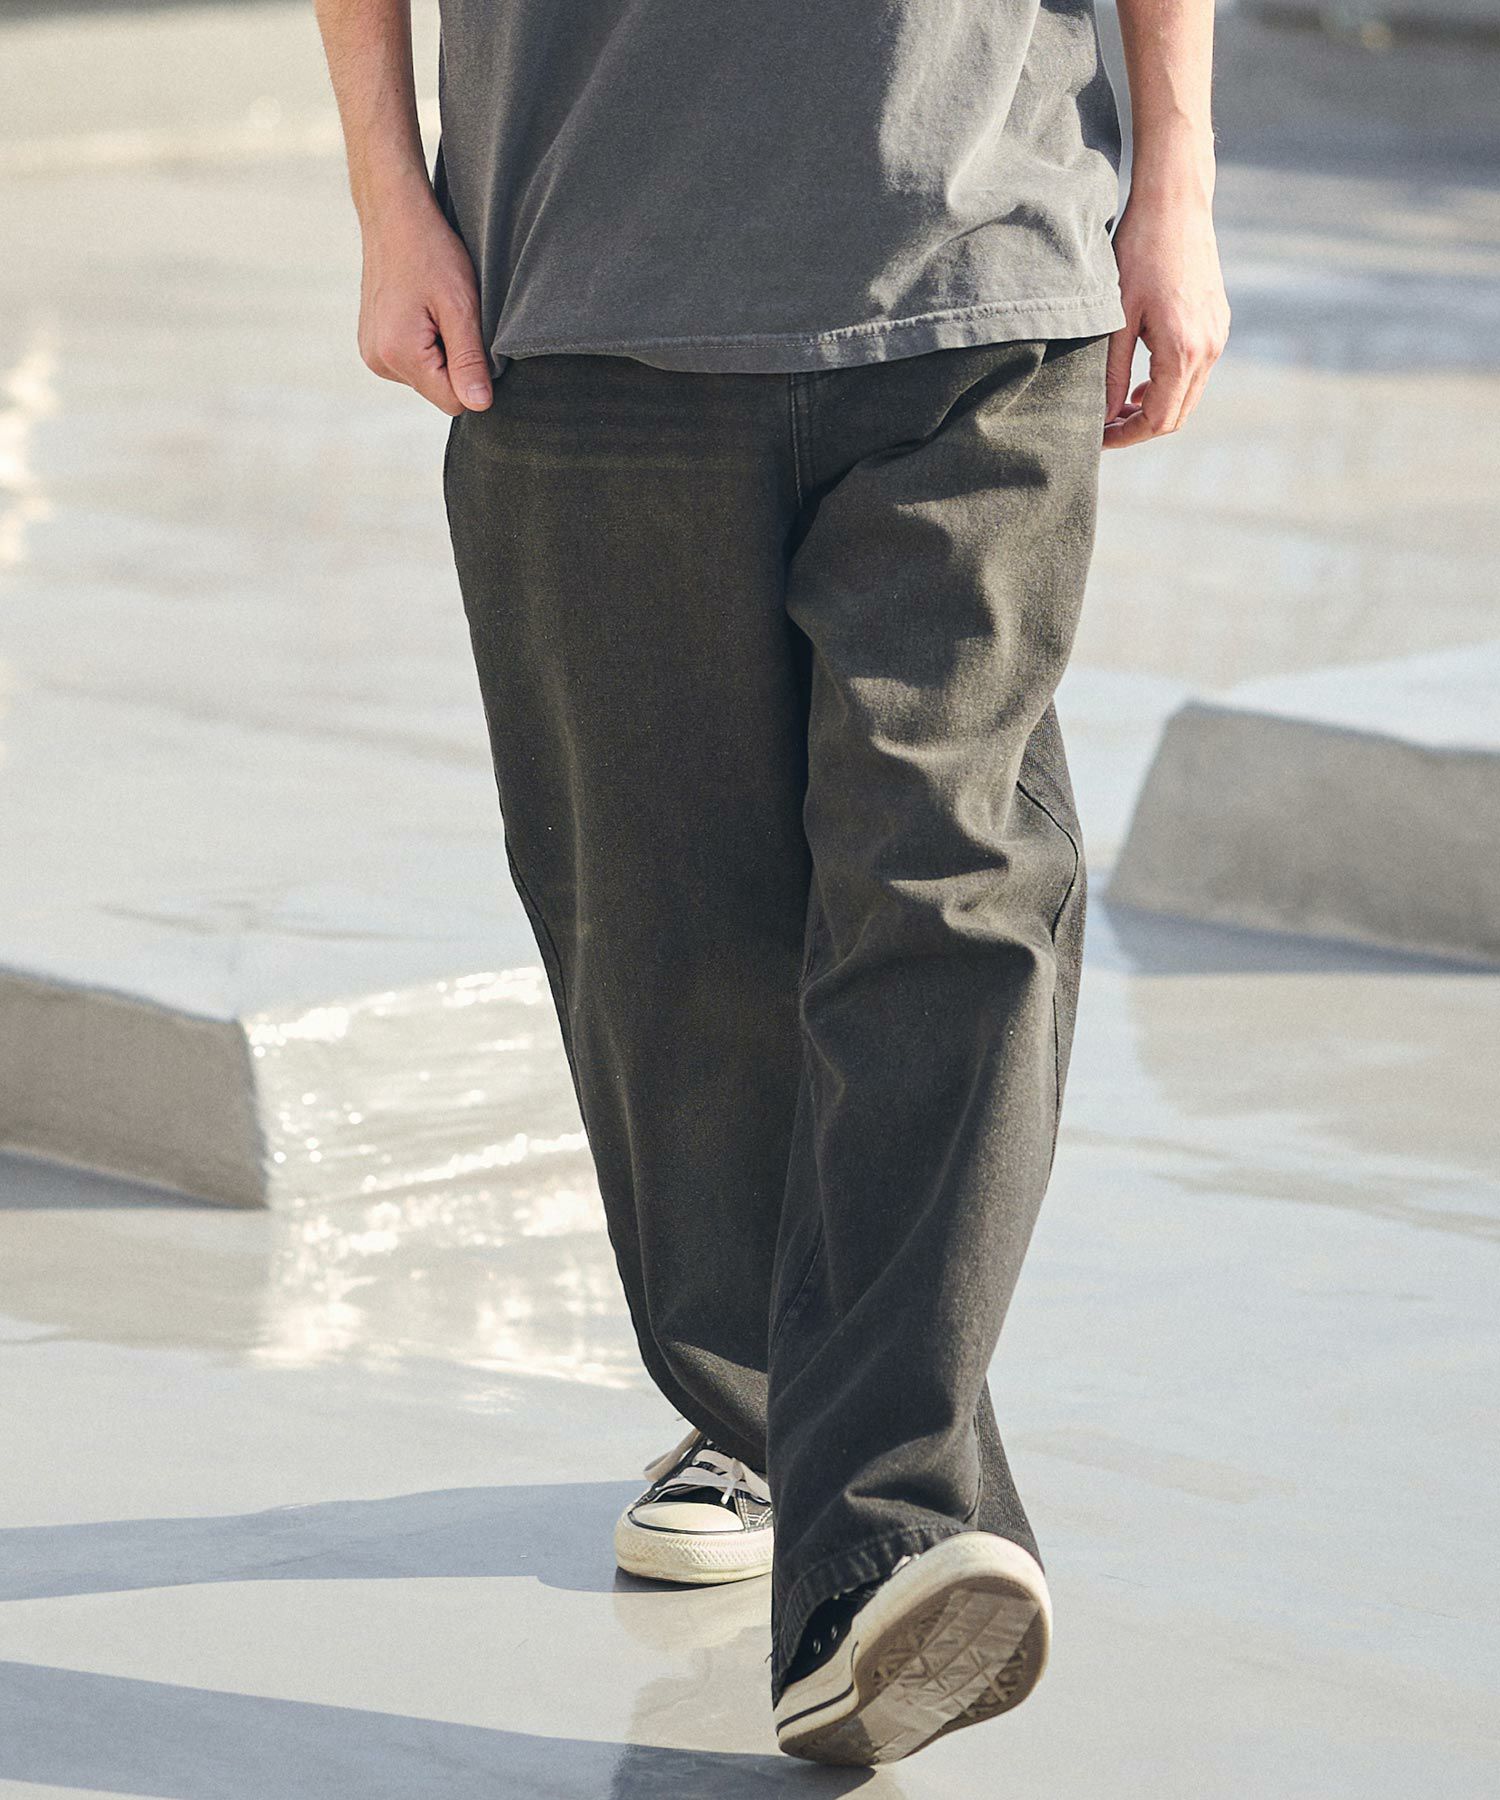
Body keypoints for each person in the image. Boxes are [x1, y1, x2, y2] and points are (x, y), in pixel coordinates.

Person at [313, 0, 1228, 1765]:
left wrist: (1177, 183)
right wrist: (387, 191)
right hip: (578, 285)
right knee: (660, 937)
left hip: (982, 267)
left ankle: (883, 1526)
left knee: (952, 873)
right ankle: (767, 1411)